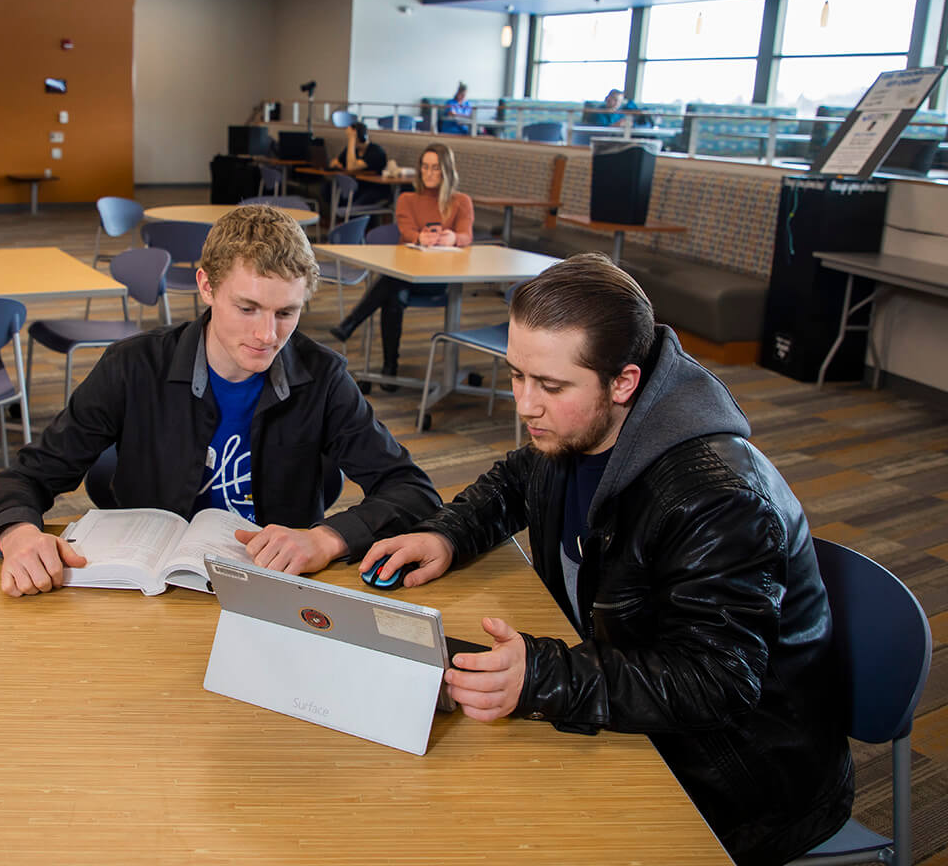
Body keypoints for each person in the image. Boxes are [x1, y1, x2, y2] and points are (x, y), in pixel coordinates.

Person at [359, 252, 853, 866]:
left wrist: (541, 677)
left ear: (624, 382)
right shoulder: (580, 423)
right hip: (633, 702)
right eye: (516, 375)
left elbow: (717, 683)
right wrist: (449, 533)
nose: (525, 405)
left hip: (736, 778)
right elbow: (520, 480)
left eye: (550, 386)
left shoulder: (720, 501)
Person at [0, 204, 441, 598]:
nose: (267, 335)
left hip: (271, 591)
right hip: (148, 592)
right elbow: (23, 478)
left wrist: (328, 538)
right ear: (206, 286)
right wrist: (19, 532)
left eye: (286, 313)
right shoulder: (133, 366)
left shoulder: (322, 378)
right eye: (247, 308)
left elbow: (412, 490)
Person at [328, 142, 474, 390]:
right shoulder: (407, 198)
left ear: (447, 171)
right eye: (425, 167)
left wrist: (453, 238)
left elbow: (466, 235)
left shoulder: (461, 201)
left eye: (435, 168)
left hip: (438, 281)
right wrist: (419, 238)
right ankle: (389, 368)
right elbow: (406, 231)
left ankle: (352, 323)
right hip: (407, 276)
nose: (429, 173)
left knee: (390, 285)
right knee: (393, 293)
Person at [328, 121, 390, 213]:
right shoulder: (352, 150)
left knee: (355, 205)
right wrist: (337, 163)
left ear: (361, 137)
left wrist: (352, 140)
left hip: (374, 189)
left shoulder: (376, 151)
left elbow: (351, 167)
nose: (349, 140)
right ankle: (340, 220)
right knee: (327, 189)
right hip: (357, 188)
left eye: (351, 137)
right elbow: (333, 163)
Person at [583, 87, 652, 128]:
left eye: (619, 101)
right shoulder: (598, 113)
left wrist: (630, 124)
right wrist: (616, 125)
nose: (617, 103)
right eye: (615, 100)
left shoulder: (621, 114)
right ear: (607, 99)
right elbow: (600, 131)